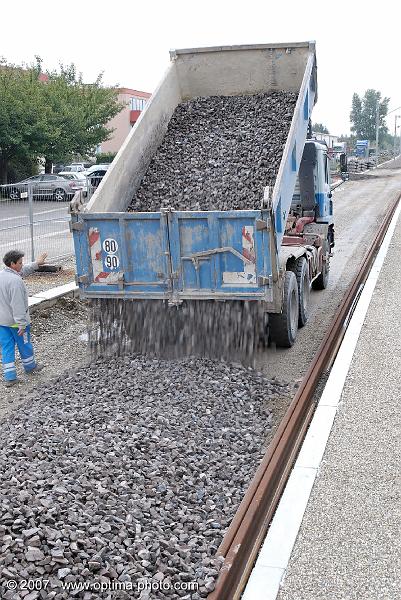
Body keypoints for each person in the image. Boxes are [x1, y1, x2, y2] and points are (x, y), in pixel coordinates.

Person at [0, 250, 48, 387]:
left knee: (7, 348)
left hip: (2, 322)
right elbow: (18, 305)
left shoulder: (3, 275)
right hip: (16, 323)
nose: (22, 265)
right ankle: (30, 366)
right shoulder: (15, 281)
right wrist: (21, 324)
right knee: (25, 344)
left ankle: (10, 377)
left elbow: (23, 271)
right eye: (20, 262)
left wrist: (36, 264)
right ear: (12, 263)